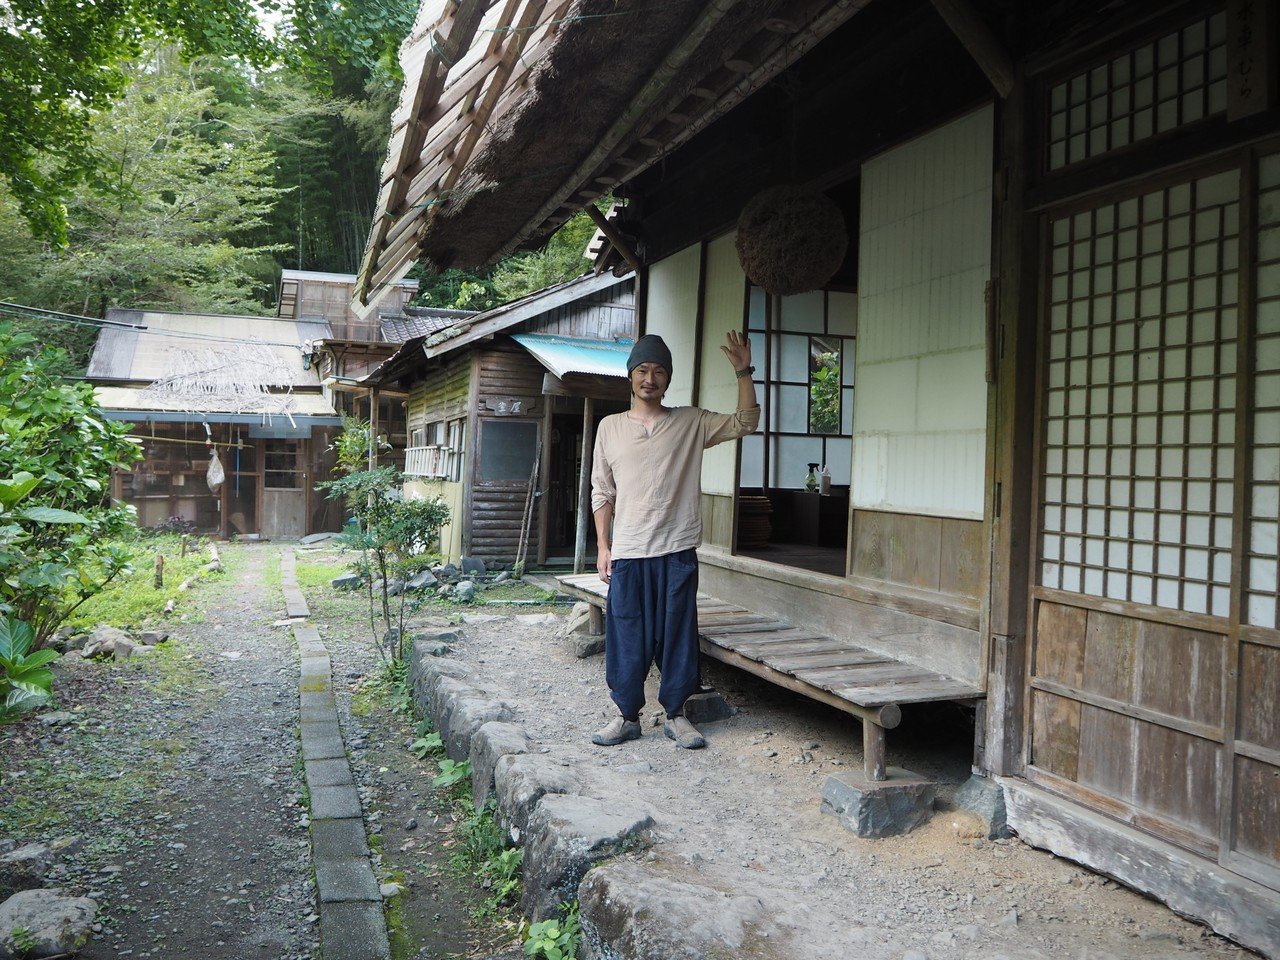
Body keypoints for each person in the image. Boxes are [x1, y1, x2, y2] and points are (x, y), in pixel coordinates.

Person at [589, 330, 759, 749]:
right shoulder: (610, 428)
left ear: (668, 379)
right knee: (627, 635)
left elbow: (746, 421)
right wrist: (603, 547)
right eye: (643, 370)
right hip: (629, 552)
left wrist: (743, 371)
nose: (650, 378)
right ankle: (626, 716)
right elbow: (601, 491)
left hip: (677, 549)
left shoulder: (690, 422)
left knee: (678, 635)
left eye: (659, 371)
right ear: (630, 377)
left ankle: (676, 714)